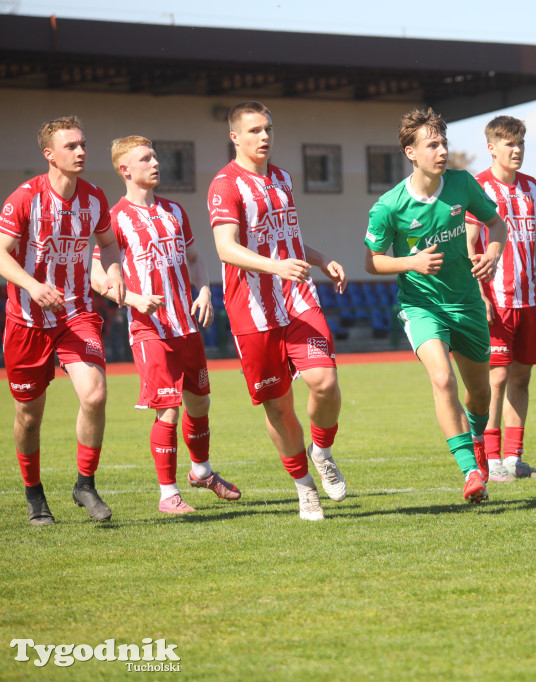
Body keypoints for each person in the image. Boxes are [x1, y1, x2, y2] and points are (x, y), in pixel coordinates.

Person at [208, 101, 347, 521]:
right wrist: (276, 266)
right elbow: (225, 248)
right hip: (251, 309)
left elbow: (286, 240)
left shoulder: (282, 177)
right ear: (235, 137)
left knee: (324, 382)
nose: (264, 136)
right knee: (278, 406)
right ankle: (304, 487)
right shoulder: (225, 185)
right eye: (253, 130)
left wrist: (320, 259)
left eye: (267, 128)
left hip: (297, 298)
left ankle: (321, 452)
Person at [90, 135, 241, 515]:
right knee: (168, 410)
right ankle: (167, 494)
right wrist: (132, 299)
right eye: (145, 158)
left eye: (155, 156)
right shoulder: (114, 219)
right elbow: (94, 274)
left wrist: (205, 290)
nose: (155, 163)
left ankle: (202, 472)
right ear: (125, 169)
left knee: (200, 402)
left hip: (185, 326)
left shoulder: (174, 210)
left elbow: (195, 257)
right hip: (149, 329)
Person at [365, 108, 506, 504]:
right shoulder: (389, 206)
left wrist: (493, 253)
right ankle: (470, 471)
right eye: (432, 145)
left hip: (466, 304)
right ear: (410, 152)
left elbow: (497, 224)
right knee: (443, 379)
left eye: (444, 143)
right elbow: (371, 261)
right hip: (421, 305)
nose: (442, 151)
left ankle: (477, 438)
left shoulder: (462, 185)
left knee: (479, 393)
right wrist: (411, 262)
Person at [0, 116, 125, 525]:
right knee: (29, 416)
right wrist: (33, 286)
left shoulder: (94, 198)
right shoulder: (24, 198)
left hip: (76, 314)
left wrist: (115, 272)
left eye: (83, 144)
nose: (81, 151)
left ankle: (84, 484)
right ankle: (34, 494)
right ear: (49, 154)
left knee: (94, 395)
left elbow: (108, 245)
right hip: (26, 320)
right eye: (71, 146)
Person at [466, 115, 536, 482]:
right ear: (492, 148)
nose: (516, 150)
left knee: (521, 377)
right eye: (509, 144)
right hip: (496, 300)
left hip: (531, 300)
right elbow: (469, 243)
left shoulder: (532, 187)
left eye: (521, 144)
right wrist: (479, 293)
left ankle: (515, 458)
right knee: (496, 378)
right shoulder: (478, 188)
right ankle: (491, 459)